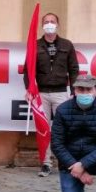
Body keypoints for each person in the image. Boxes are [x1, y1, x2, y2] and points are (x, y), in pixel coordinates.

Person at [24, 12, 79, 176]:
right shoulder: (34, 45)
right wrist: (29, 89)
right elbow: (28, 71)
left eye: (52, 21)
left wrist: (74, 90)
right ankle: (46, 163)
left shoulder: (67, 45)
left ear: (58, 25)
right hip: (41, 94)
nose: (49, 24)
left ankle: (65, 162)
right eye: (46, 22)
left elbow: (74, 69)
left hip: (61, 93)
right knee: (43, 129)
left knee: (63, 129)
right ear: (42, 25)